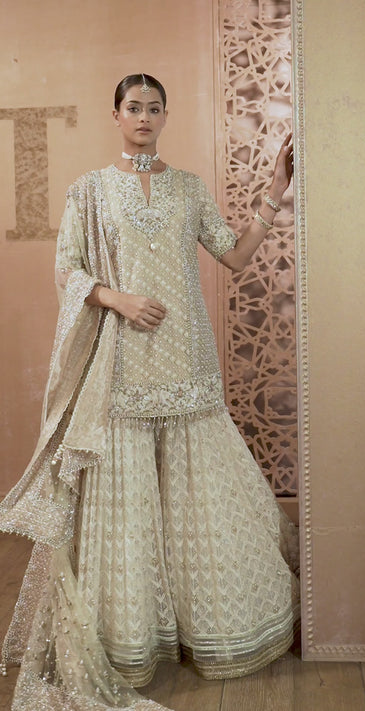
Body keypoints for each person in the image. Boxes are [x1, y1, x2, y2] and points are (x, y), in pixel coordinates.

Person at [0, 73, 299, 711]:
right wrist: (118, 299)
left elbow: (235, 255)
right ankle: (132, 641)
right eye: (133, 107)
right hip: (122, 364)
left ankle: (211, 631)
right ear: (116, 114)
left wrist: (275, 193)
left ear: (165, 116)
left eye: (154, 107)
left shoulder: (188, 188)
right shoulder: (90, 190)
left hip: (187, 361)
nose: (143, 116)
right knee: (129, 495)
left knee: (196, 494)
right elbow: (67, 269)